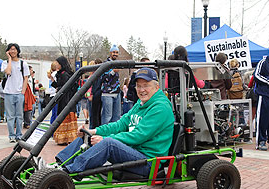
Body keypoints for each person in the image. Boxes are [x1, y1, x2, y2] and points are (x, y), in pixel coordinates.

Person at [37, 68, 174, 178]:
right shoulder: (142, 102)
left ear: (156, 87)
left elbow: (138, 136)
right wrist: (94, 131)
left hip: (148, 162)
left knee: (108, 143)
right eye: (139, 86)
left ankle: (66, 172)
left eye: (146, 86)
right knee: (87, 137)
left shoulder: (160, 107)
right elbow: (119, 125)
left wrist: (105, 139)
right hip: (135, 153)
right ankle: (57, 165)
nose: (141, 89)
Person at [1, 43, 30, 142]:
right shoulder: (5, 63)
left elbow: (26, 78)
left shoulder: (23, 64)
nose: (13, 51)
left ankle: (19, 135)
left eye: (14, 49)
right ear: (8, 51)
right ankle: (11, 136)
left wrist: (23, 91)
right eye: (10, 49)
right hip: (8, 93)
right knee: (10, 116)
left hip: (19, 93)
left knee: (19, 116)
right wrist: (9, 59)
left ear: (18, 51)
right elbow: (8, 72)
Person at [48, 56, 78, 145]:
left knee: (65, 117)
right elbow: (60, 86)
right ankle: (65, 138)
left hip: (66, 100)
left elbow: (66, 87)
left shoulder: (64, 74)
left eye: (58, 63)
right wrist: (53, 82)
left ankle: (66, 138)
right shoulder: (60, 74)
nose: (56, 65)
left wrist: (58, 88)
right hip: (64, 100)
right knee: (62, 117)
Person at [100, 45, 121, 125]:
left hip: (117, 93)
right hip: (107, 93)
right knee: (107, 116)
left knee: (117, 116)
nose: (115, 54)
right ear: (110, 53)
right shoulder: (105, 64)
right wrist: (113, 71)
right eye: (114, 52)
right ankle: (104, 134)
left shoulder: (118, 63)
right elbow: (103, 78)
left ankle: (114, 135)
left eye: (117, 52)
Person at [90, 58, 103, 128]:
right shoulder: (99, 74)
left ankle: (95, 127)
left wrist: (92, 93)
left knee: (95, 113)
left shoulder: (97, 75)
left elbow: (95, 86)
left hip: (97, 94)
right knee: (97, 113)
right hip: (98, 93)